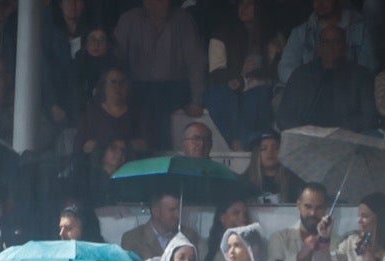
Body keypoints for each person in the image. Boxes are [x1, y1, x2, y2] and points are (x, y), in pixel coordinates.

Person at [112, 0, 207, 152]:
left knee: (155, 101)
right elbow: (116, 60)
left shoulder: (183, 20)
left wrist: (197, 100)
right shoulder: (128, 20)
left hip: (174, 87)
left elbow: (195, 63)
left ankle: (158, 154)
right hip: (138, 85)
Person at [203, 0, 276, 150]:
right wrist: (238, 74)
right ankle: (237, 143)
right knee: (217, 95)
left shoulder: (270, 35)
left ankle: (251, 143)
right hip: (228, 85)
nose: (243, 9)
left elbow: (271, 74)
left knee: (256, 97)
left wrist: (245, 81)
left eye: (249, 5)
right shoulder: (221, 34)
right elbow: (215, 72)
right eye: (241, 4)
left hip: (257, 87)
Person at [278, 25, 377, 134]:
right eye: (326, 42)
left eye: (336, 41)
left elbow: (368, 118)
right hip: (305, 137)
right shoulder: (301, 74)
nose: (331, 46)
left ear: (345, 46)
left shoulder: (361, 76)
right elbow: (284, 116)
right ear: (318, 48)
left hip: (345, 139)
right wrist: (305, 132)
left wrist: (337, 132)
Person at [118, 192, 202, 261]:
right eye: (172, 210)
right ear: (155, 211)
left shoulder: (188, 236)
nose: (178, 215)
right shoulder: (132, 239)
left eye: (179, 210)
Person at [244, 131, 305, 205]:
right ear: (256, 154)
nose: (270, 152)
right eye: (264, 148)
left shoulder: (294, 181)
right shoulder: (244, 181)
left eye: (276, 148)